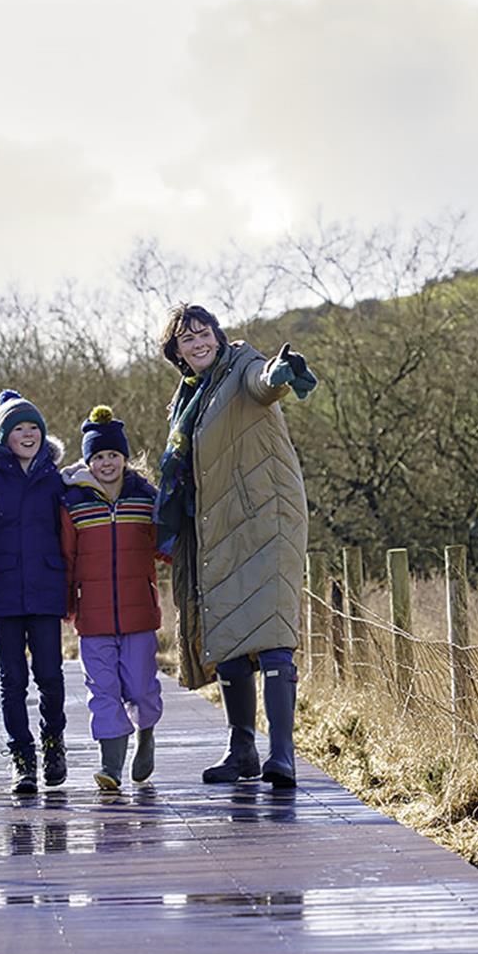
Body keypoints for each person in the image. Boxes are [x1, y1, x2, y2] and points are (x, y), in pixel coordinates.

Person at [155, 304, 318, 789]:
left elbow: (265, 383)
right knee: (226, 638)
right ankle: (241, 748)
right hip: (217, 528)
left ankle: (282, 755)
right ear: (176, 352)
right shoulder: (188, 399)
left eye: (203, 333)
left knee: (272, 637)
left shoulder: (244, 365)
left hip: (266, 520)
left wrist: (282, 372)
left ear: (218, 336)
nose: (198, 342)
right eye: (187, 339)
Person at [59, 406, 164, 791]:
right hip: (93, 616)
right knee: (102, 690)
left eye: (113, 455)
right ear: (89, 460)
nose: (106, 463)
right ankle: (111, 766)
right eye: (98, 456)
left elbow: (165, 548)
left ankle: (146, 733)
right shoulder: (75, 502)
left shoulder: (145, 498)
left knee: (139, 687)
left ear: (125, 457)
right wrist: (68, 602)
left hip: (139, 613)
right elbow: (67, 557)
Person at [0, 389, 70, 794]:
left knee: (50, 675)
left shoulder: (57, 478)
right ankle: (22, 757)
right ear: (3, 436)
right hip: (3, 592)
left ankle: (54, 743)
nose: (28, 434)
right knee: (12, 680)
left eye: (34, 427)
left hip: (46, 588)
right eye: (19, 428)